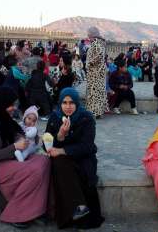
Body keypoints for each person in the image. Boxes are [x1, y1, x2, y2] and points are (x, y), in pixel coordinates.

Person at [0, 87, 51, 229]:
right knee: (34, 171)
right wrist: (15, 147)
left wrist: (24, 138)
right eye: (10, 105)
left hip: (9, 158)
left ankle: (34, 210)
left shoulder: (3, 117)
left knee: (44, 161)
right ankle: (17, 213)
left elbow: (14, 132)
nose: (13, 108)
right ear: (0, 103)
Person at [45, 88, 104, 229]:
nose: (68, 106)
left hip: (84, 157)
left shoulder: (86, 118)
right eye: (64, 102)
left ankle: (73, 214)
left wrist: (62, 150)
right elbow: (46, 142)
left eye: (71, 102)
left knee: (75, 170)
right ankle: (80, 210)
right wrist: (60, 135)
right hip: (63, 160)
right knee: (60, 164)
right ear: (60, 103)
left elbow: (87, 146)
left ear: (77, 103)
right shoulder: (55, 117)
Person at [85, 27, 107, 118]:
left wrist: (89, 63)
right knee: (96, 92)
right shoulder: (98, 43)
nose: (88, 36)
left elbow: (99, 55)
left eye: (89, 34)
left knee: (95, 93)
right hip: (96, 72)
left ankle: (95, 112)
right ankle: (96, 112)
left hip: (95, 73)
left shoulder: (97, 43)